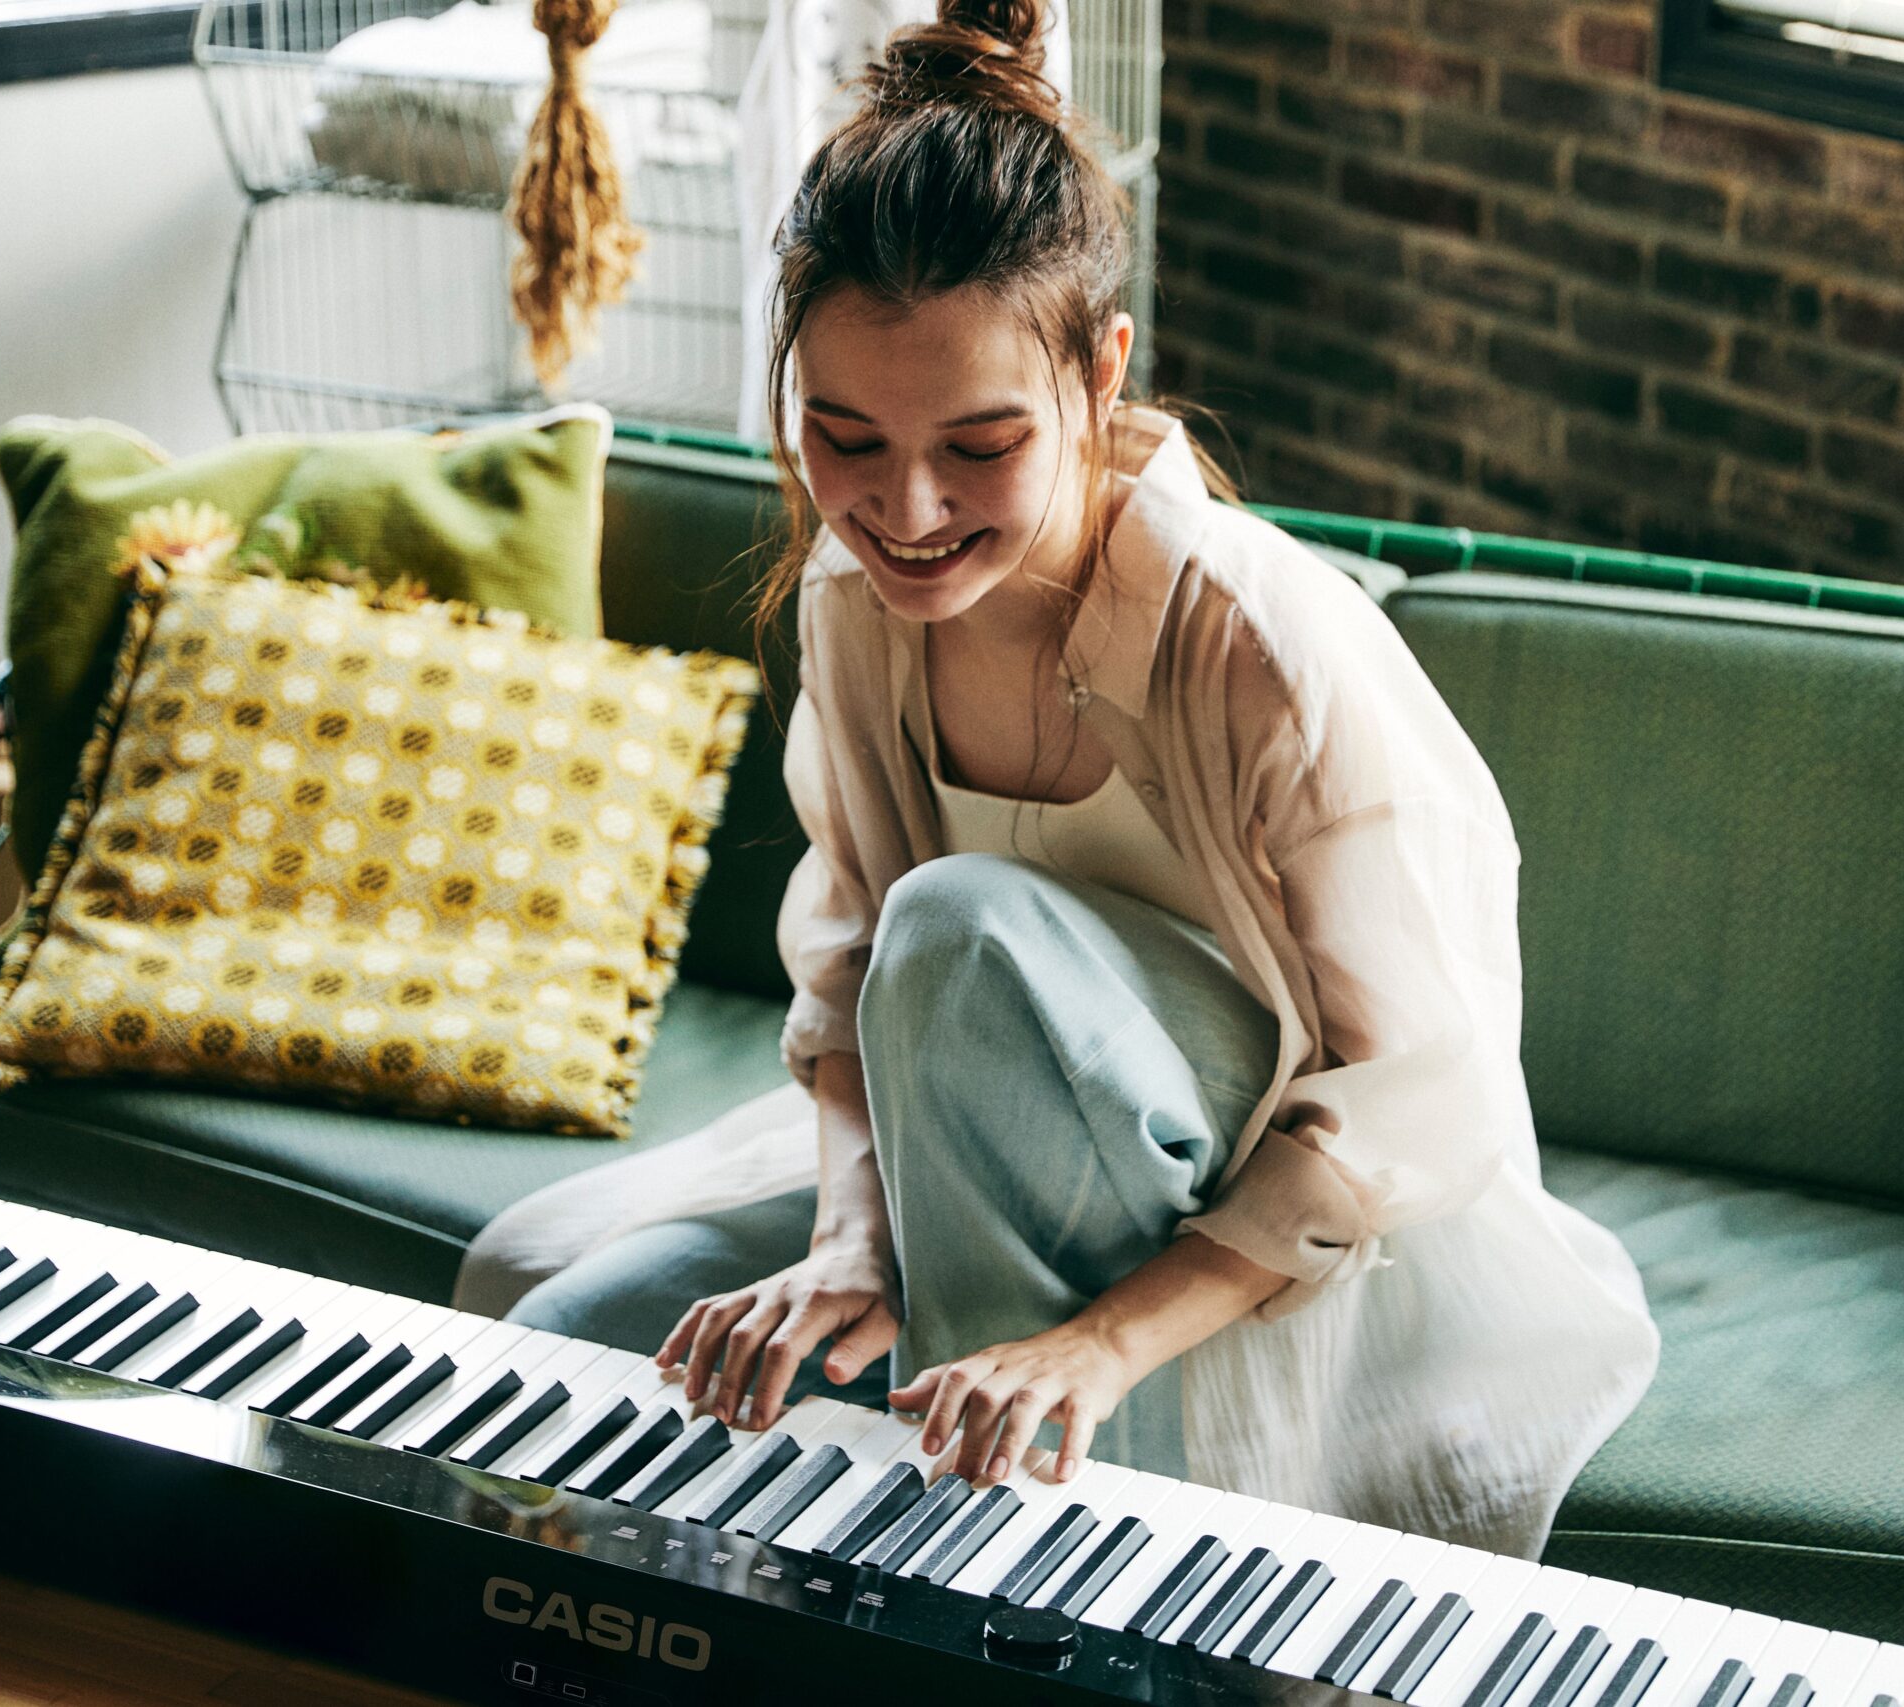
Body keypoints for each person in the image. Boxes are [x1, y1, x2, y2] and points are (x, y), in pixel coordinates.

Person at [454, 0, 1661, 1557]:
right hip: (951, 1151)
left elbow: (1430, 1098)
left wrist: (1102, 1347)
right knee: (549, 1327)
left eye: (980, 444)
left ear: (1102, 374)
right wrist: (851, 1244)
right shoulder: (850, 602)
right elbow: (844, 990)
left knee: (955, 927)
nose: (902, 508)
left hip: (1277, 1218)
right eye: (842, 436)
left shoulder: (1260, 641)